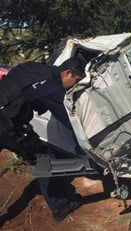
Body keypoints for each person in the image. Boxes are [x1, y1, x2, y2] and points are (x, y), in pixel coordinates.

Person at [0, 56, 87, 222]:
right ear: (67, 73)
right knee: (44, 160)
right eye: (76, 81)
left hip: (4, 115)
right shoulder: (51, 87)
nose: (75, 86)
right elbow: (70, 121)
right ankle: (61, 206)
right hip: (7, 126)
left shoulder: (36, 67)